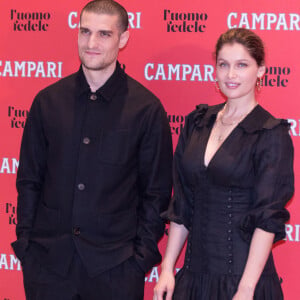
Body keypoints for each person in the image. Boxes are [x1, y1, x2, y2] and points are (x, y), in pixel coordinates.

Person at [11, 1, 173, 299]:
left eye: (104, 34)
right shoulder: (47, 102)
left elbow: (156, 193)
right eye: (85, 32)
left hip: (116, 270)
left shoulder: (146, 110)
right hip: (48, 267)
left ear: (123, 39)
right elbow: (29, 180)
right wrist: (27, 246)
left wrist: (139, 261)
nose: (91, 43)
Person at [154, 28, 294, 300]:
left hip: (243, 282)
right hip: (193, 279)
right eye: (223, 65)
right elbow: (183, 205)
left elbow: (267, 219)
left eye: (242, 65)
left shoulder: (269, 133)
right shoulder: (196, 122)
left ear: (261, 70)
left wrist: (246, 289)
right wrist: (168, 269)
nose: (231, 75)